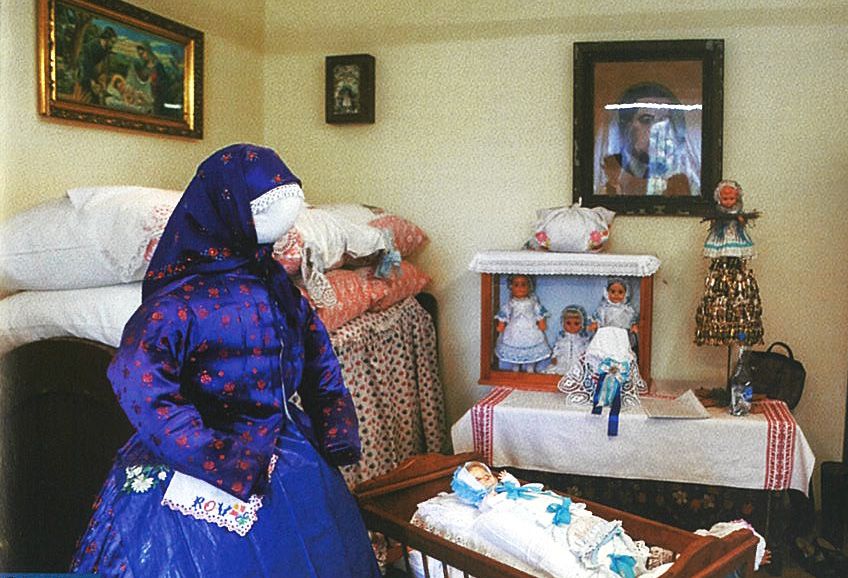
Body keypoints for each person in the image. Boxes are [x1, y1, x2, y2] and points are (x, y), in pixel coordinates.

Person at [69, 144, 381, 578]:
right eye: (268, 209)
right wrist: (214, 454)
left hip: (288, 451)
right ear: (224, 208)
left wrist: (335, 426)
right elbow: (140, 384)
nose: (283, 222)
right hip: (201, 455)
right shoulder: (176, 305)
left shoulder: (281, 291)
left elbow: (319, 363)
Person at [447, 461, 652, 578]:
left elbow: (517, 487)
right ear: (470, 489)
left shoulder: (505, 489)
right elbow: (489, 507)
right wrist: (490, 497)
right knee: (570, 538)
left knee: (584, 524)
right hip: (533, 515)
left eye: (486, 473)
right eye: (478, 479)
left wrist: (508, 480)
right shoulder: (488, 503)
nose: (486, 478)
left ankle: (630, 557)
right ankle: (612, 569)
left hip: (540, 505)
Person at [595, 82, 701, 197]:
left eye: (664, 120)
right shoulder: (611, 182)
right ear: (627, 127)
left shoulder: (685, 183)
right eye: (647, 120)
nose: (657, 129)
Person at [694, 180, 764, 347]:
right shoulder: (719, 212)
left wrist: (740, 220)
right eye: (725, 199)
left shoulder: (738, 211)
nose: (728, 202)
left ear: (737, 198)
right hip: (721, 241)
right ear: (719, 199)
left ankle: (740, 333)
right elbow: (713, 225)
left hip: (736, 239)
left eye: (731, 198)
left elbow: (743, 223)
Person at [494, 274, 551, 372]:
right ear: (511, 287)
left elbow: (539, 312)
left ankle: (530, 366)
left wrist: (542, 322)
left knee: (531, 347)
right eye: (516, 285)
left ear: (529, 287)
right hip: (514, 330)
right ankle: (515, 366)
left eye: (523, 285)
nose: (520, 288)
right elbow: (504, 313)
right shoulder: (510, 303)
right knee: (514, 347)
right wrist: (501, 324)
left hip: (530, 329)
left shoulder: (532, 302)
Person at [589, 279, 639, 349]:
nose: (616, 294)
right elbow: (598, 319)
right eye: (613, 292)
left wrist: (633, 325)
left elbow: (632, 320)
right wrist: (595, 324)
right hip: (606, 336)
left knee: (621, 349)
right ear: (607, 293)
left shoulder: (627, 310)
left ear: (626, 294)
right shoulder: (603, 308)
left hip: (621, 336)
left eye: (620, 292)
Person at [545, 305, 591, 375]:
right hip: (563, 363)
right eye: (568, 323)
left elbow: (587, 352)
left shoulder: (583, 340)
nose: (572, 326)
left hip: (577, 364)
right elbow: (556, 351)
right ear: (563, 324)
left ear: (582, 325)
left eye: (576, 324)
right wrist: (554, 359)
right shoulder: (561, 339)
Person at [77, 26, 117, 104]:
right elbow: (86, 65)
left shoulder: (106, 50)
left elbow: (104, 68)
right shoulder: (91, 47)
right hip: (86, 78)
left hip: (95, 79)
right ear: (106, 39)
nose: (112, 45)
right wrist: (91, 81)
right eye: (112, 42)